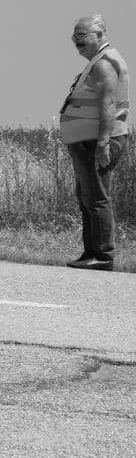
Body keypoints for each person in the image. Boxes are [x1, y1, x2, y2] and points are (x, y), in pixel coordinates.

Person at [60, 14, 131, 270]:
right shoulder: (97, 62)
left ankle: (102, 256)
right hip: (85, 140)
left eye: (82, 35)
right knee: (86, 196)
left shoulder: (104, 64)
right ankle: (90, 252)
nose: (76, 41)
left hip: (96, 141)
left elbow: (107, 104)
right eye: (74, 36)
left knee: (97, 197)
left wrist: (102, 143)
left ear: (100, 35)